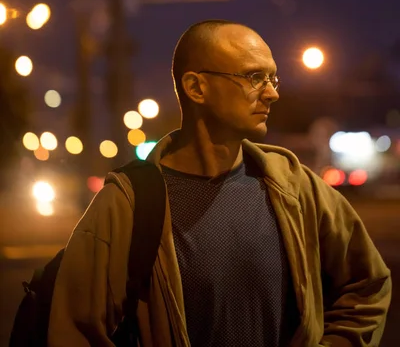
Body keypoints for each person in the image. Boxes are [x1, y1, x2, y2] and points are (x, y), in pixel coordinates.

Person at [48, 20, 392, 346]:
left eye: (274, 78)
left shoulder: (294, 185)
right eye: (255, 77)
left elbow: (368, 284)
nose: (271, 94)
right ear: (197, 87)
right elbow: (74, 333)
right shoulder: (127, 203)